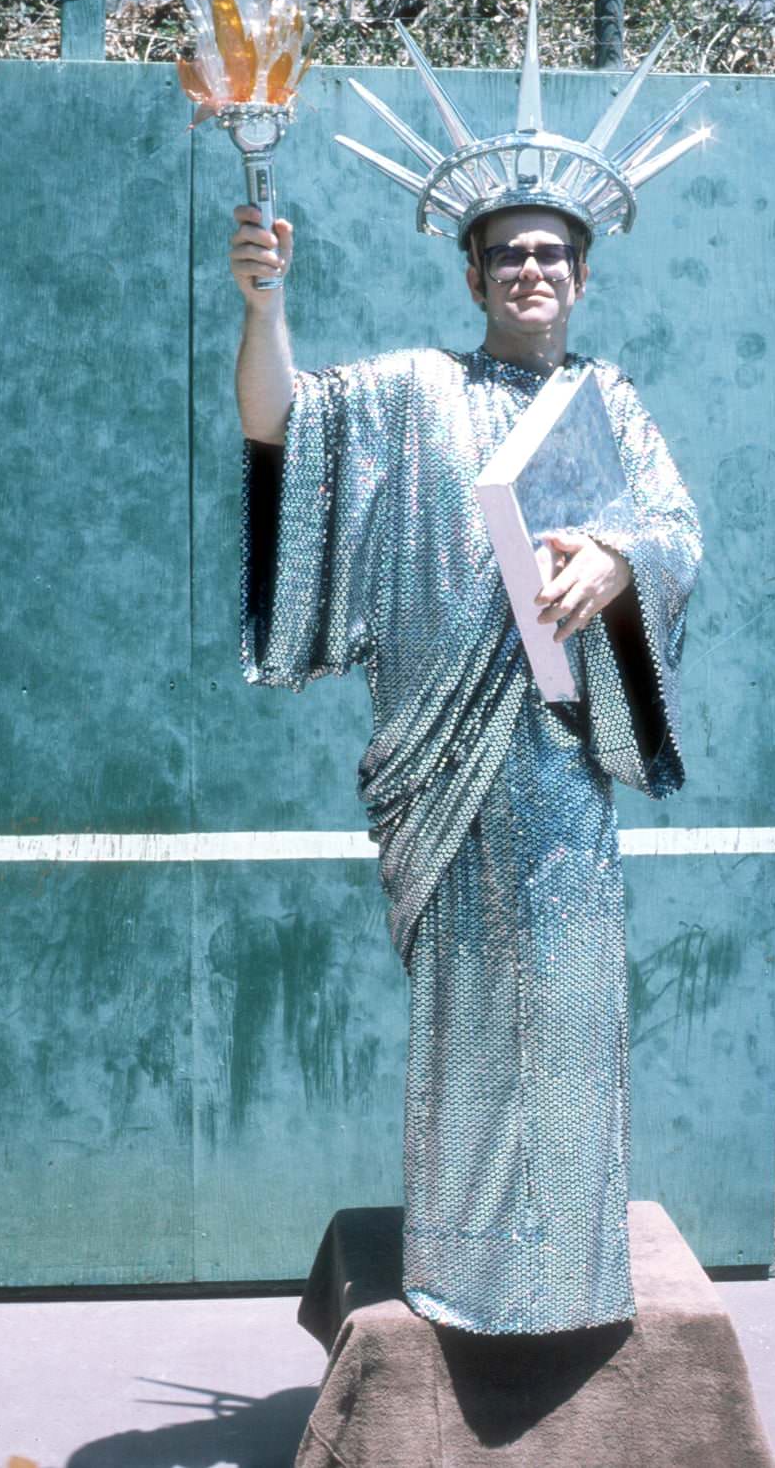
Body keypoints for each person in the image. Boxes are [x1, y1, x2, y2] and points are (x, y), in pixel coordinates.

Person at [230, 193, 702, 1336]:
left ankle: (572, 1280)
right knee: (463, 1024)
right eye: (505, 256)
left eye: (549, 254)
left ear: (580, 276)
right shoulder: (409, 393)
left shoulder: (611, 407)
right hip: (438, 767)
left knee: (572, 1012)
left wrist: (616, 552)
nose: (528, 270)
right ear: (472, 276)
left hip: (555, 773)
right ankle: (459, 1264)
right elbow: (279, 426)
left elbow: (677, 532)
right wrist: (264, 301)